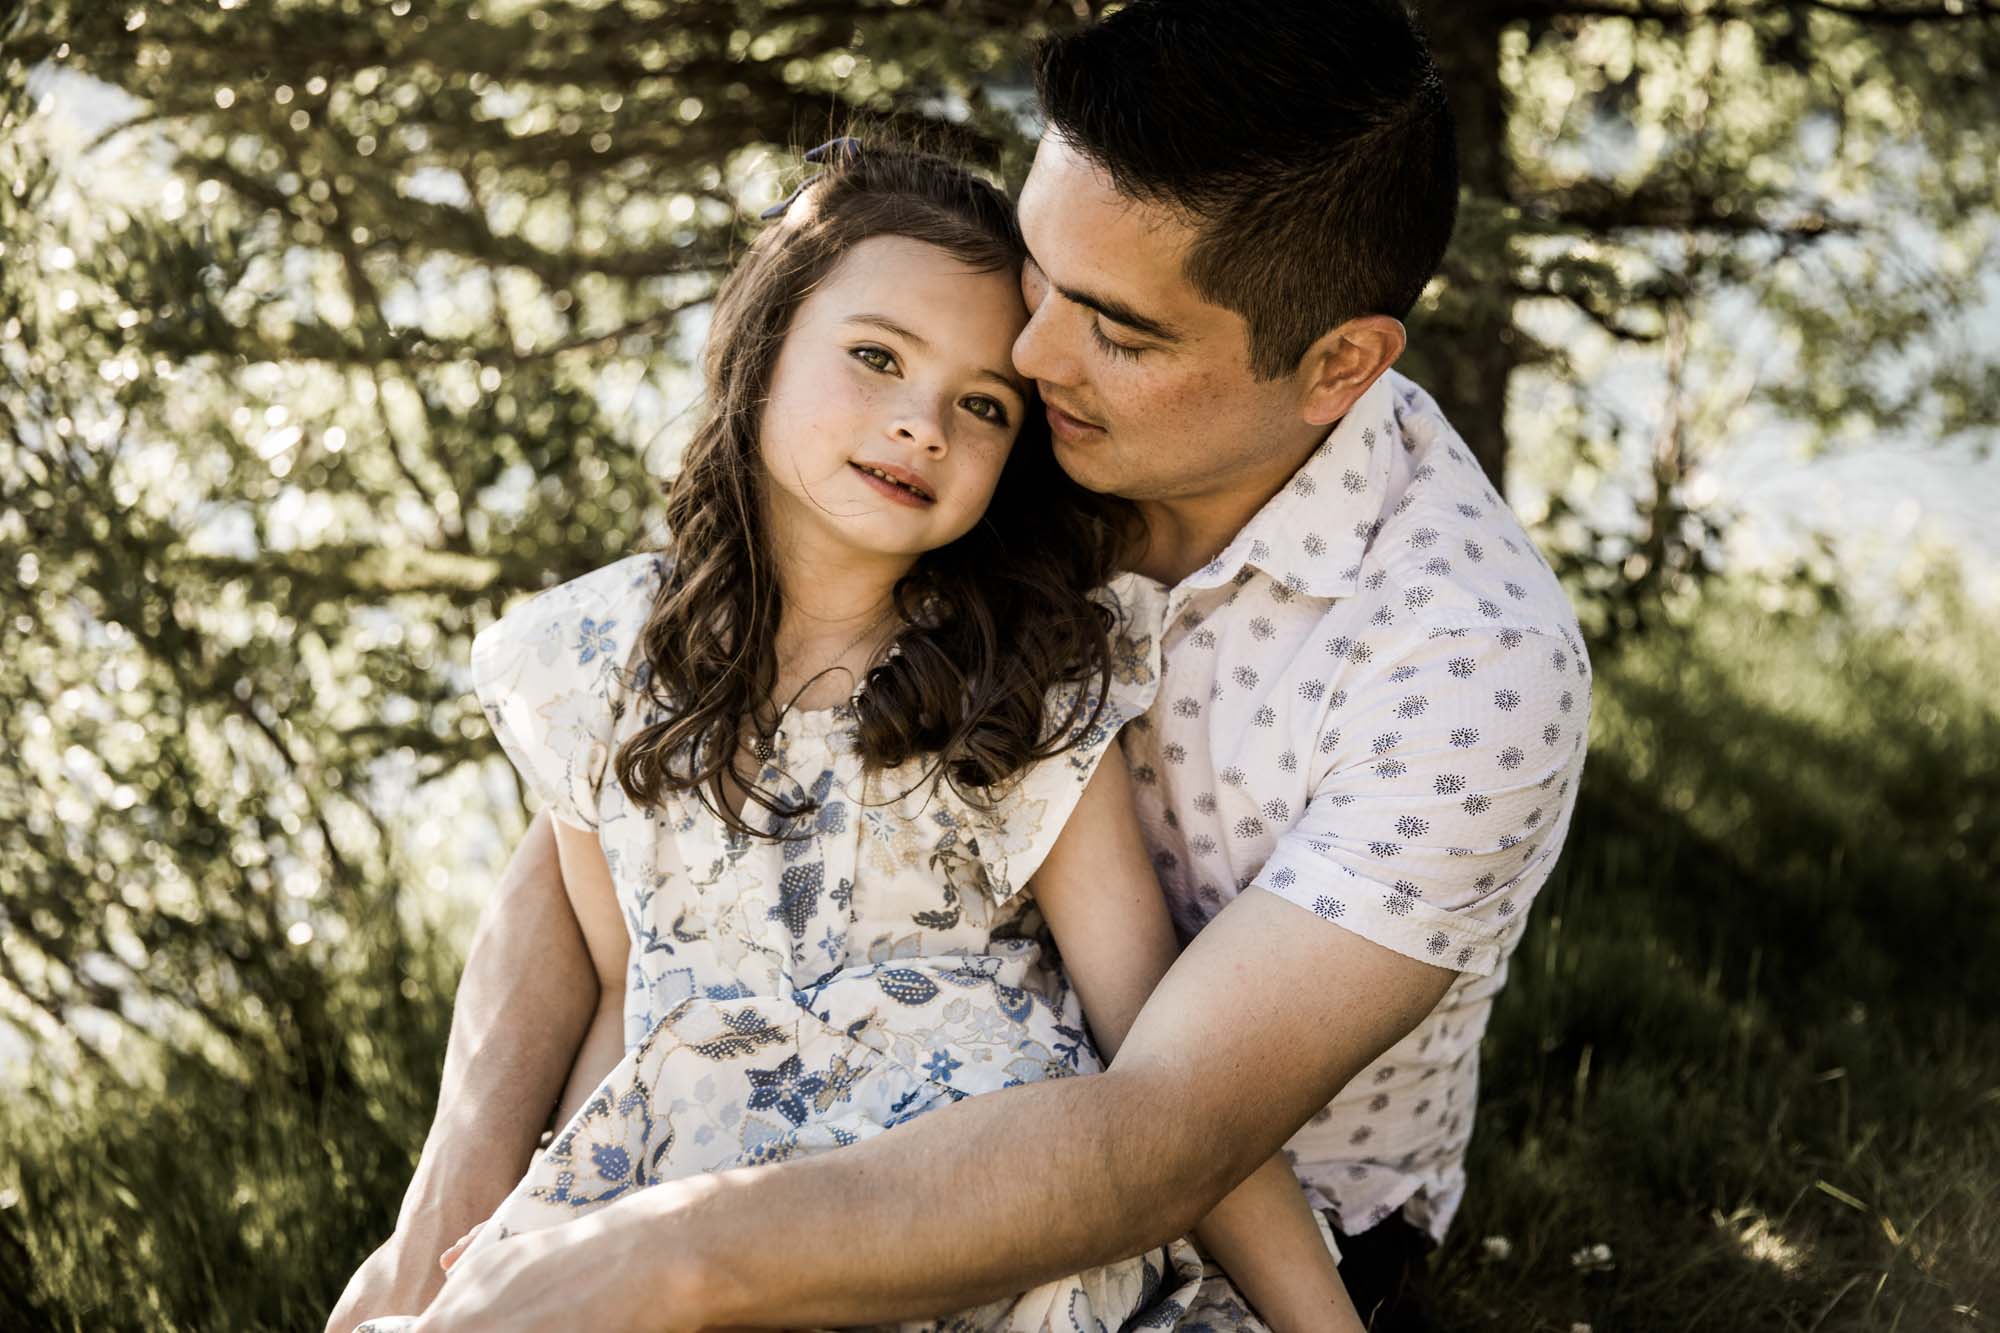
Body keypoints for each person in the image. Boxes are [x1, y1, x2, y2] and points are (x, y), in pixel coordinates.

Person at [328, 3, 1593, 1330]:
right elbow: (615, 818)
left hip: (1215, 1208)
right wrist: (447, 1225)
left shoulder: (1468, 672)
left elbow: (1164, 1134)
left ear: (1338, 364)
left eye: (1114, 326)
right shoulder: (985, 398)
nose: (1026, 358)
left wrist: (677, 1252)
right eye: (1044, 270)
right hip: (747, 1148)